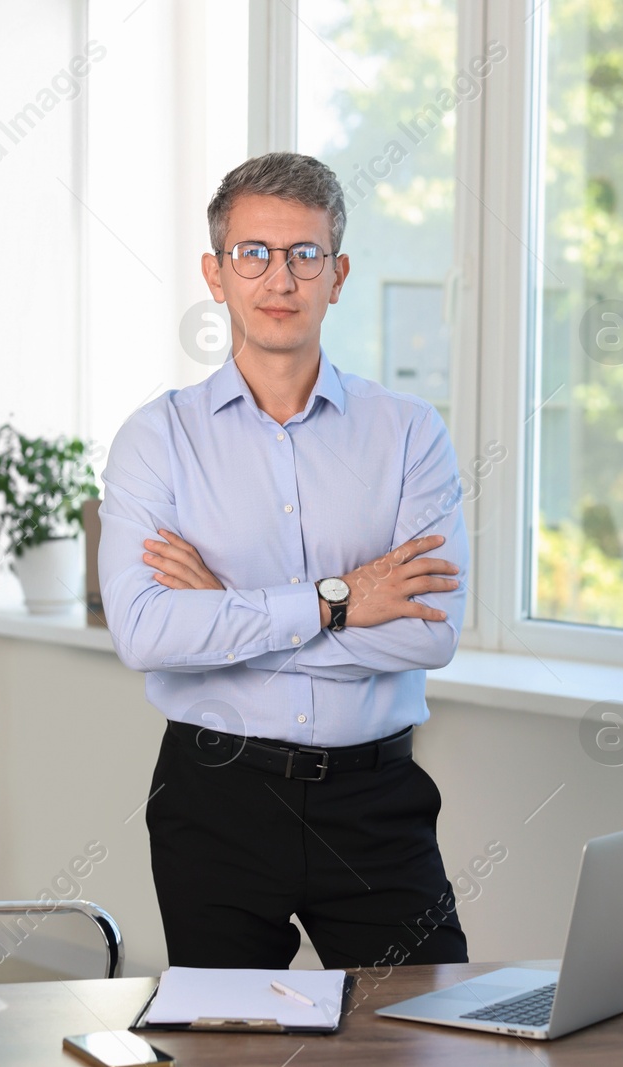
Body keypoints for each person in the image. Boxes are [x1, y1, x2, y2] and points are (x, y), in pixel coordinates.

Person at [98, 151, 470, 969]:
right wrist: (342, 598)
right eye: (253, 254)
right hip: (215, 803)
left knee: (426, 1038)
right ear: (216, 273)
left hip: (376, 805)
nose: (280, 278)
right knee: (229, 1047)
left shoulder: (410, 433)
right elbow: (146, 634)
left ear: (336, 275)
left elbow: (427, 636)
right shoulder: (156, 440)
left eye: (304, 255)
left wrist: (229, 610)